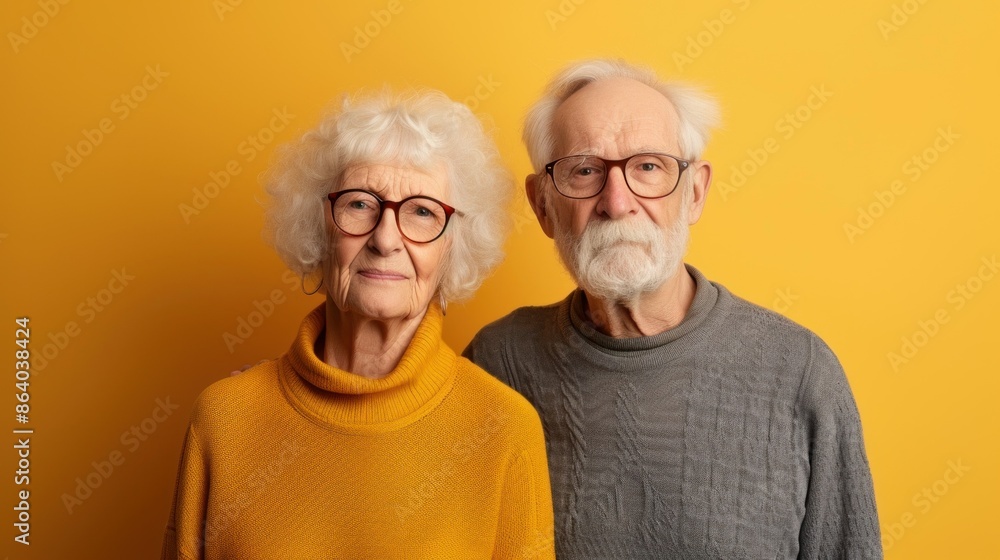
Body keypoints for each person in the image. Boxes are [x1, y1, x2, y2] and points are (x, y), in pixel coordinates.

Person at [463, 59, 882, 559]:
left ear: (695, 193)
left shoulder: (799, 370)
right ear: (543, 206)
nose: (617, 202)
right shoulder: (497, 363)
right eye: (584, 170)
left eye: (647, 167)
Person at [161, 90, 555, 559]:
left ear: (453, 246)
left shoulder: (504, 430)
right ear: (318, 226)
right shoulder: (226, 417)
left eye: (423, 211)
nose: (385, 239)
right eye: (360, 204)